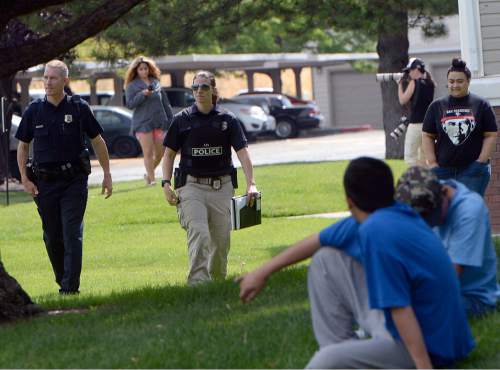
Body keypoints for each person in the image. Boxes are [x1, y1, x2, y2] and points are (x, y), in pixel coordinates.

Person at [239, 157, 474, 369]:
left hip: (432, 348)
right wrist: (263, 271)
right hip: (432, 331)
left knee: (326, 362)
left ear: (349, 201)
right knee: (325, 259)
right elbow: (317, 240)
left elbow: (400, 308)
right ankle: (341, 348)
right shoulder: (393, 212)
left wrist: (423, 366)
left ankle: (339, 355)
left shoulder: (377, 231)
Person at [16, 59, 113, 294]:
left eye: (53, 78)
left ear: (65, 81)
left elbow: (98, 141)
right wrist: (24, 179)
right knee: (52, 237)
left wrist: (107, 174)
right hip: (44, 183)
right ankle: (63, 280)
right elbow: (23, 146)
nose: (48, 82)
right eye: (45, 78)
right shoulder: (34, 110)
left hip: (74, 181)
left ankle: (70, 290)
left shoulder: (79, 108)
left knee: (72, 234)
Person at [162, 70, 259, 285]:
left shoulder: (228, 120)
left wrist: (251, 184)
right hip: (191, 187)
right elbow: (168, 154)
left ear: (213, 90)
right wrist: (166, 183)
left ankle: (216, 284)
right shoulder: (182, 120)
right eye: (195, 87)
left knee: (221, 241)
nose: (199, 91)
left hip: (221, 187)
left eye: (204, 87)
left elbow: (242, 152)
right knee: (200, 234)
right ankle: (197, 285)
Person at [395, 166, 499, 318]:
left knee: (405, 312)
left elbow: (448, 279)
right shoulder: (422, 192)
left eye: (433, 217)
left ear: (445, 192)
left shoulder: (470, 211)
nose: (430, 224)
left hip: (469, 298)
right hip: (431, 284)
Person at [422, 58, 498, 196]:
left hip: (473, 170)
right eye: (451, 81)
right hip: (443, 171)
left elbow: (491, 135)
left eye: (460, 81)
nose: (455, 85)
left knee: (470, 211)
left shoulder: (481, 105)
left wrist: (480, 162)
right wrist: (432, 163)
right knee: (446, 212)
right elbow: (427, 135)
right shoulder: (436, 106)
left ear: (468, 82)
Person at [125, 56, 173, 185]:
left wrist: (170, 119)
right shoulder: (132, 85)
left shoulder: (156, 82)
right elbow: (129, 104)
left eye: (145, 68)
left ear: (149, 69)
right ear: (136, 70)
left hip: (158, 122)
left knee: (160, 153)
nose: (144, 71)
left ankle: (148, 174)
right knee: (148, 152)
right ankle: (152, 180)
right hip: (142, 123)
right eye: (141, 69)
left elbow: (165, 102)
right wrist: (143, 94)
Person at [398, 57, 435, 166]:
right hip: (428, 125)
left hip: (415, 125)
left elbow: (402, 100)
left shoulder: (414, 83)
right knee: (425, 158)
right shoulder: (431, 83)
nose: (409, 73)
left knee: (411, 158)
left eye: (409, 70)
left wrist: (400, 85)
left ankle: (414, 179)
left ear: (416, 69)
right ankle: (426, 180)